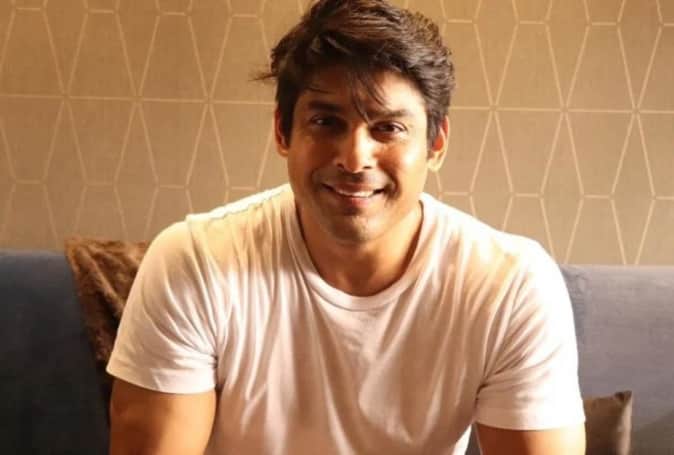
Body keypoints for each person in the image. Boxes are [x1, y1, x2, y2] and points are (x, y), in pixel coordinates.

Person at [107, 0, 586, 453]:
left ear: (436, 143)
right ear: (282, 132)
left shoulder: (510, 287)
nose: (354, 159)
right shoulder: (194, 262)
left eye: (388, 128)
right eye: (326, 122)